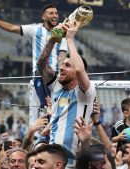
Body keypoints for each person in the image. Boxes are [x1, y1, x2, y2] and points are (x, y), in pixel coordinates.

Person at [0, 4, 68, 109]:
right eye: (51, 13)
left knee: (59, 107)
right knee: (46, 107)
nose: (55, 15)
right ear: (43, 16)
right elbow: (12, 28)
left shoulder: (62, 33)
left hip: (56, 76)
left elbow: (62, 56)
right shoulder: (35, 29)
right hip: (41, 75)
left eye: (56, 13)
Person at [37, 21, 96, 167]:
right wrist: (53, 39)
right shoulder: (57, 86)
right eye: (61, 64)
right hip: (52, 161)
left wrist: (69, 38)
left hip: (73, 163)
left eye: (67, 65)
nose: (61, 68)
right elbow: (41, 64)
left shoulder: (86, 92)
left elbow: (79, 70)